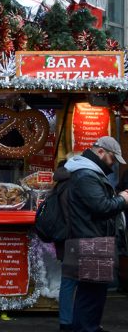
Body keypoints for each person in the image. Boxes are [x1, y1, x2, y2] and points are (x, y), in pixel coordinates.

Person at [64, 136, 128, 332]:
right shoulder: (86, 175)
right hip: (91, 240)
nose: (113, 163)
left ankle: (89, 326)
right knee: (91, 293)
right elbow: (101, 207)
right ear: (100, 152)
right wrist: (122, 199)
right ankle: (86, 328)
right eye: (112, 158)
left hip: (92, 239)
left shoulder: (89, 172)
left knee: (93, 291)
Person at [52, 159, 77, 332]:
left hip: (63, 239)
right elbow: (72, 217)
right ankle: (68, 322)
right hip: (73, 239)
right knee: (72, 282)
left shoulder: (59, 185)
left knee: (68, 281)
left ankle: (66, 320)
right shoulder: (72, 186)